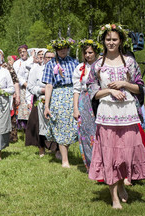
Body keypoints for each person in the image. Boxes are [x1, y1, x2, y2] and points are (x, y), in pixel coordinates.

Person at [87, 23, 145, 209]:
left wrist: (124, 84)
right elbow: (92, 90)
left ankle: (122, 182)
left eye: (114, 39)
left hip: (127, 114)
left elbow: (140, 87)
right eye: (108, 39)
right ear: (103, 41)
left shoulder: (130, 62)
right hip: (107, 115)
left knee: (127, 153)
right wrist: (109, 90)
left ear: (121, 41)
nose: (111, 42)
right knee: (109, 155)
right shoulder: (97, 64)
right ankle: (114, 196)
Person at [42, 38, 79, 168]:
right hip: (58, 96)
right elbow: (48, 85)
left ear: (68, 49)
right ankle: (65, 160)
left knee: (74, 125)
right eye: (60, 49)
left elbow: (79, 81)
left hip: (73, 95)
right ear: (56, 50)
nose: (63, 51)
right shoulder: (50, 64)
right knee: (61, 126)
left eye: (65, 48)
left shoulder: (74, 62)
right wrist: (46, 106)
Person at [72, 39, 101, 171]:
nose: (88, 55)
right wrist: (75, 108)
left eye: (90, 52)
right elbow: (76, 90)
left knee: (100, 131)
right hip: (85, 100)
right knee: (86, 131)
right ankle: (91, 164)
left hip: (99, 98)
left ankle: (104, 163)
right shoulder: (79, 68)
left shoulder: (101, 64)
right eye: (86, 53)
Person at [26, 49, 58, 156]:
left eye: (52, 58)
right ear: (43, 59)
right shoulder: (36, 70)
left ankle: (57, 149)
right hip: (41, 98)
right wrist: (41, 90)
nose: (49, 60)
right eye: (47, 57)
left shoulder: (59, 69)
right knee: (40, 125)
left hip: (56, 98)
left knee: (56, 123)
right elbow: (30, 86)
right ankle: (41, 148)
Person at [13, 44, 31, 131]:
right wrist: (25, 84)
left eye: (24, 52)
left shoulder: (31, 60)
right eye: (20, 52)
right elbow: (17, 76)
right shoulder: (17, 63)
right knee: (24, 108)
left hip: (32, 86)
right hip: (23, 87)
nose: (22, 54)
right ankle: (25, 127)